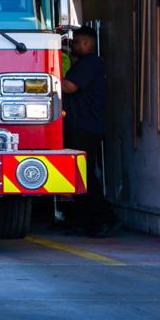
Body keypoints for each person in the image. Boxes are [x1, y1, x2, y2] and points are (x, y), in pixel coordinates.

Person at [61, 25, 120, 237]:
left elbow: (69, 87)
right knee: (77, 176)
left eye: (76, 42)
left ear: (87, 43)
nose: (74, 45)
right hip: (81, 126)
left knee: (85, 176)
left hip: (85, 128)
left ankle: (106, 218)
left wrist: (45, 76)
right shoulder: (86, 63)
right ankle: (85, 219)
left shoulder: (90, 63)